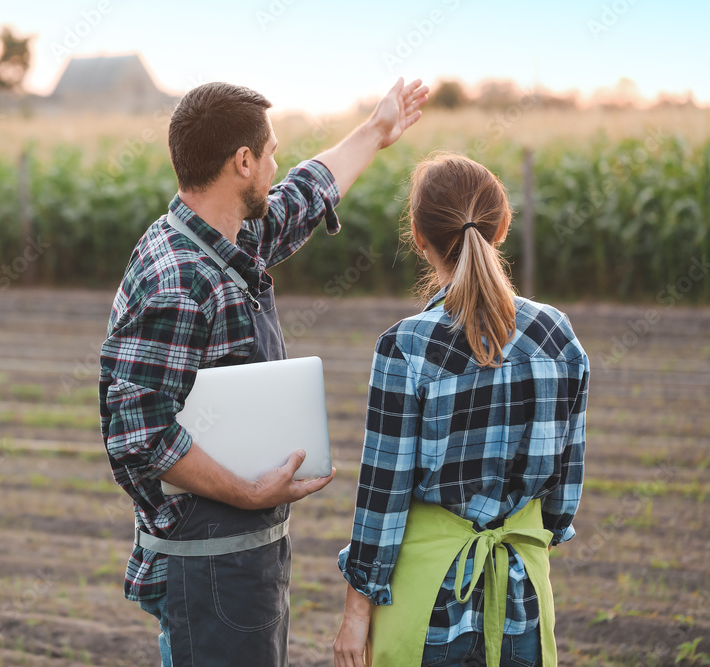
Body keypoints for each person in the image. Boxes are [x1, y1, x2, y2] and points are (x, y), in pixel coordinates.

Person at [99, 78, 429, 667]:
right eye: (271, 152)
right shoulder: (180, 278)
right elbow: (138, 434)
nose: (279, 164)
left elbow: (306, 193)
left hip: (237, 562)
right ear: (242, 161)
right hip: (210, 569)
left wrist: (377, 131)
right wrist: (251, 492)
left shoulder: (226, 239)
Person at [333, 152, 589, 667]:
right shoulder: (557, 336)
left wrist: (356, 610)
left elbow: (383, 493)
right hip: (521, 597)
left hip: (427, 604)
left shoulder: (406, 347)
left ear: (418, 235)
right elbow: (563, 492)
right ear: (501, 228)